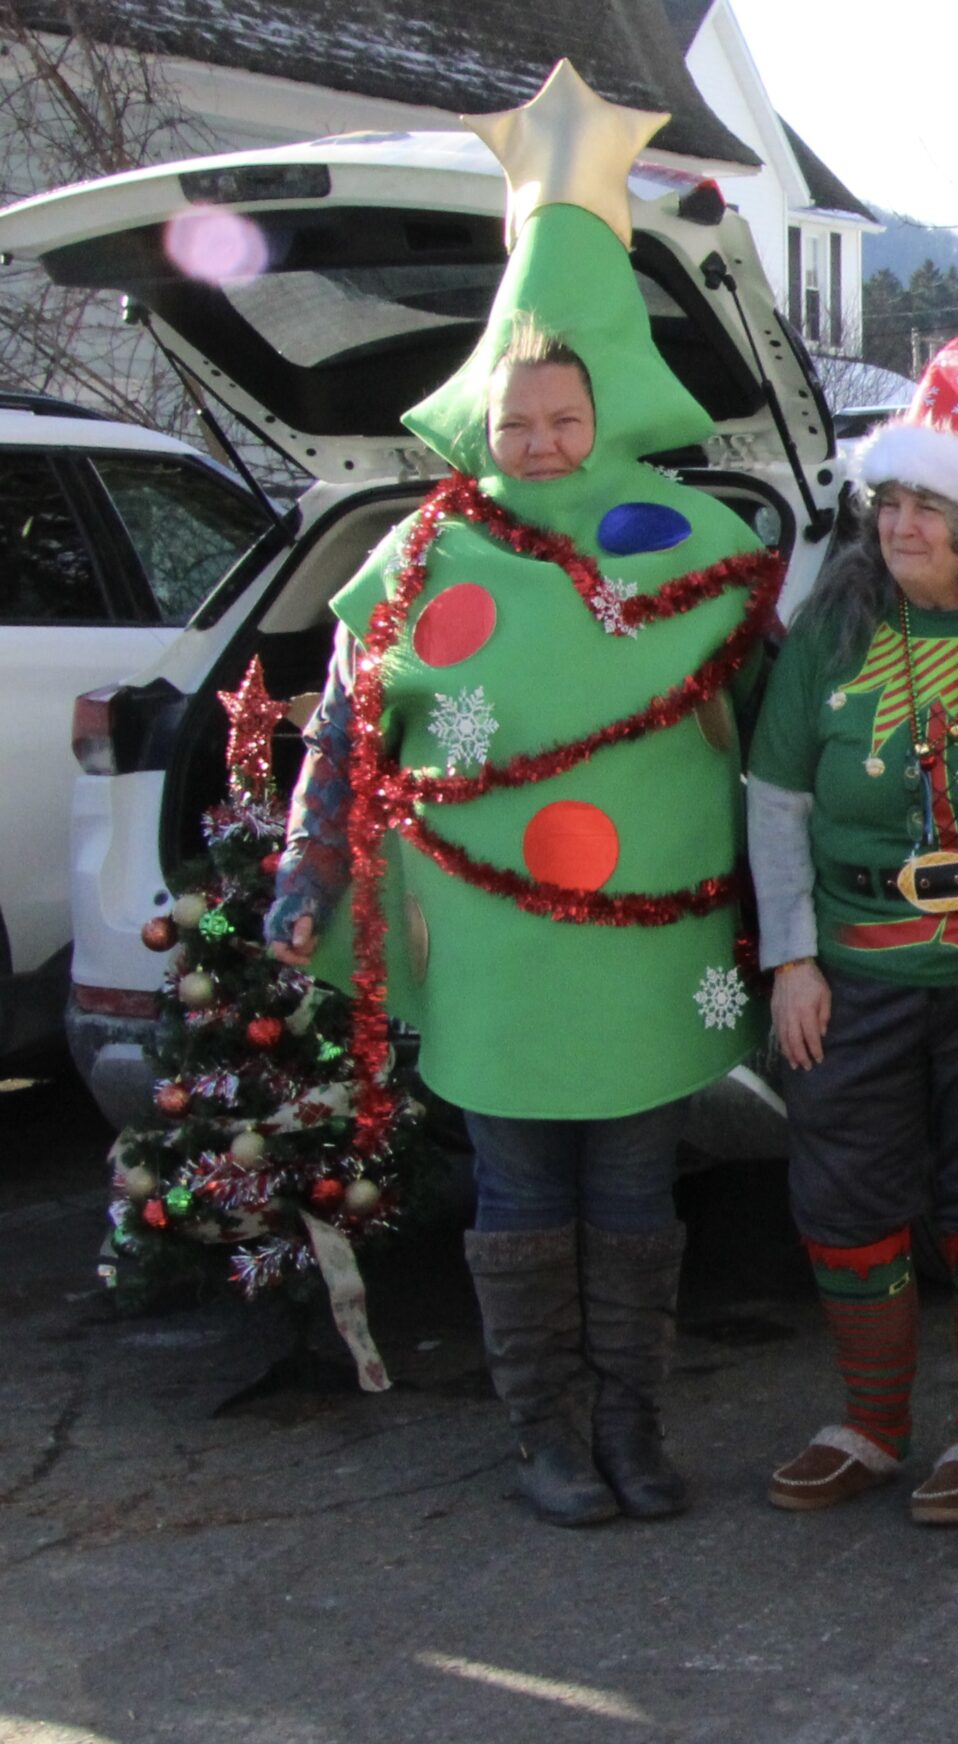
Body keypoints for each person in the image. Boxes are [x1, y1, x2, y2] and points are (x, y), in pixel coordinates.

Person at [268, 64, 777, 1529]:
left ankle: (631, 1425)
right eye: (519, 420)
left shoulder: (696, 540)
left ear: (603, 407)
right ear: (481, 418)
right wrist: (312, 882)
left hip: (642, 945)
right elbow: (350, 730)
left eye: (565, 416)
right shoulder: (421, 557)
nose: (543, 442)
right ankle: (542, 1436)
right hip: (489, 947)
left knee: (633, 1185)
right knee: (519, 1193)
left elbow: (776, 731)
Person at [748, 335, 958, 1525]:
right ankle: (872, 1425)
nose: (901, 527)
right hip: (854, 969)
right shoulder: (829, 633)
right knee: (846, 1195)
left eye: (930, 508)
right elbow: (778, 798)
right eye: (889, 502)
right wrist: (791, 955)